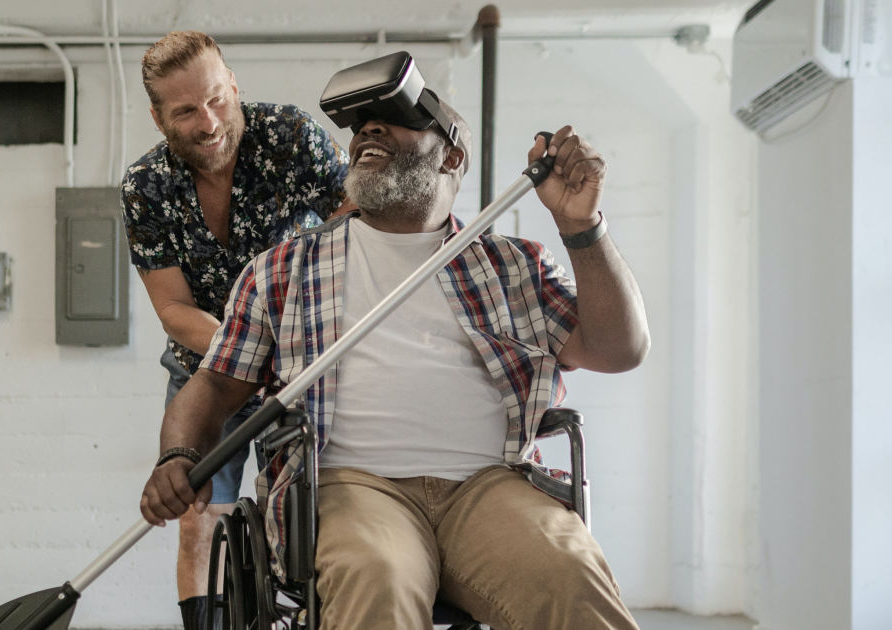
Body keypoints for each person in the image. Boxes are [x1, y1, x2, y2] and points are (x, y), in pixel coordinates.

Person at [139, 96, 650, 629]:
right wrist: (176, 454)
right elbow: (215, 385)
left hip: (488, 486)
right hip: (351, 488)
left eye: (397, 121)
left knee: (569, 574)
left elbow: (620, 349)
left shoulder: (510, 263)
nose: (367, 131)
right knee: (377, 576)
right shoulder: (282, 270)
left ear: (451, 157)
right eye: (361, 126)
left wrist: (581, 227)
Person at [119, 31, 351, 630]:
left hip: (305, 367)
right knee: (200, 513)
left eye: (218, 99)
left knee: (317, 512)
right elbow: (172, 307)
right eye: (186, 111)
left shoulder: (292, 138)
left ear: (233, 86)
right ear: (158, 118)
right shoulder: (145, 188)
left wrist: (292, 350)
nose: (209, 121)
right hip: (205, 366)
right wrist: (244, 354)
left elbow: (361, 234)